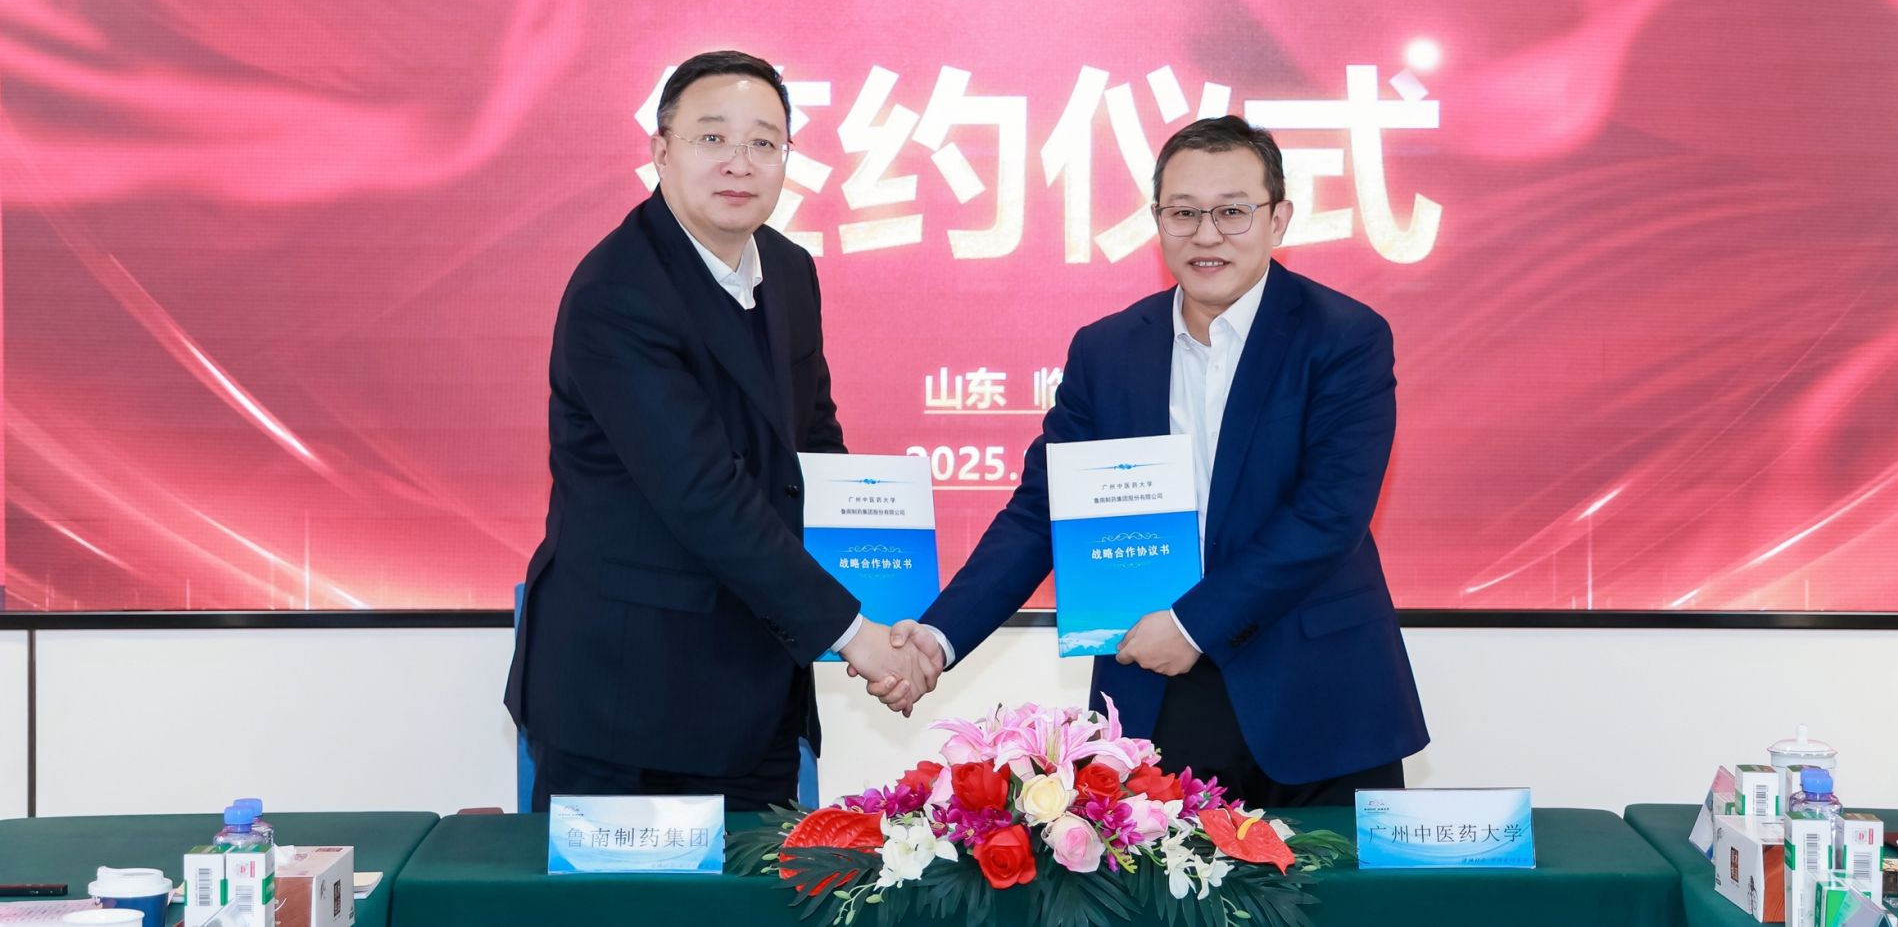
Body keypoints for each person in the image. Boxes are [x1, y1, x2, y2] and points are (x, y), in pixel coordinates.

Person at [898, 115, 1428, 807]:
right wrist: (938, 638)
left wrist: (1193, 624)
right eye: (1184, 213)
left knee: (1339, 884)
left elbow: (1329, 514)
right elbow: (1041, 513)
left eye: (1232, 211)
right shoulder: (1108, 350)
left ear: (1278, 219)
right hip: (1157, 692)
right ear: (1157, 220)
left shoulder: (1345, 337)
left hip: (1319, 697)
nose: (1206, 235)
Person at [505, 50, 937, 809]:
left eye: (763, 143)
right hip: (628, 700)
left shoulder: (789, 270)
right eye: (712, 138)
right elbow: (703, 494)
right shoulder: (619, 291)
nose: (740, 163)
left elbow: (812, 444)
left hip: (756, 687)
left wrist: (875, 593)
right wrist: (854, 633)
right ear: (661, 150)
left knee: (760, 880)